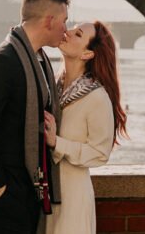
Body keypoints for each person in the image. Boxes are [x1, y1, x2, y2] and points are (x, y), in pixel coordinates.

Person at [0, 0, 70, 234]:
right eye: (64, 21)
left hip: (28, 186)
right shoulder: (2, 62)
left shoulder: (40, 61)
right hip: (3, 190)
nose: (66, 28)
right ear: (49, 21)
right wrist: (0, 186)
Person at [44, 21, 127, 234]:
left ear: (87, 54)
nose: (68, 32)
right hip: (45, 196)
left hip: (73, 198)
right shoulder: (51, 87)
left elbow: (100, 153)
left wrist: (57, 143)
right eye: (72, 28)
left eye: (78, 34)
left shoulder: (96, 97)